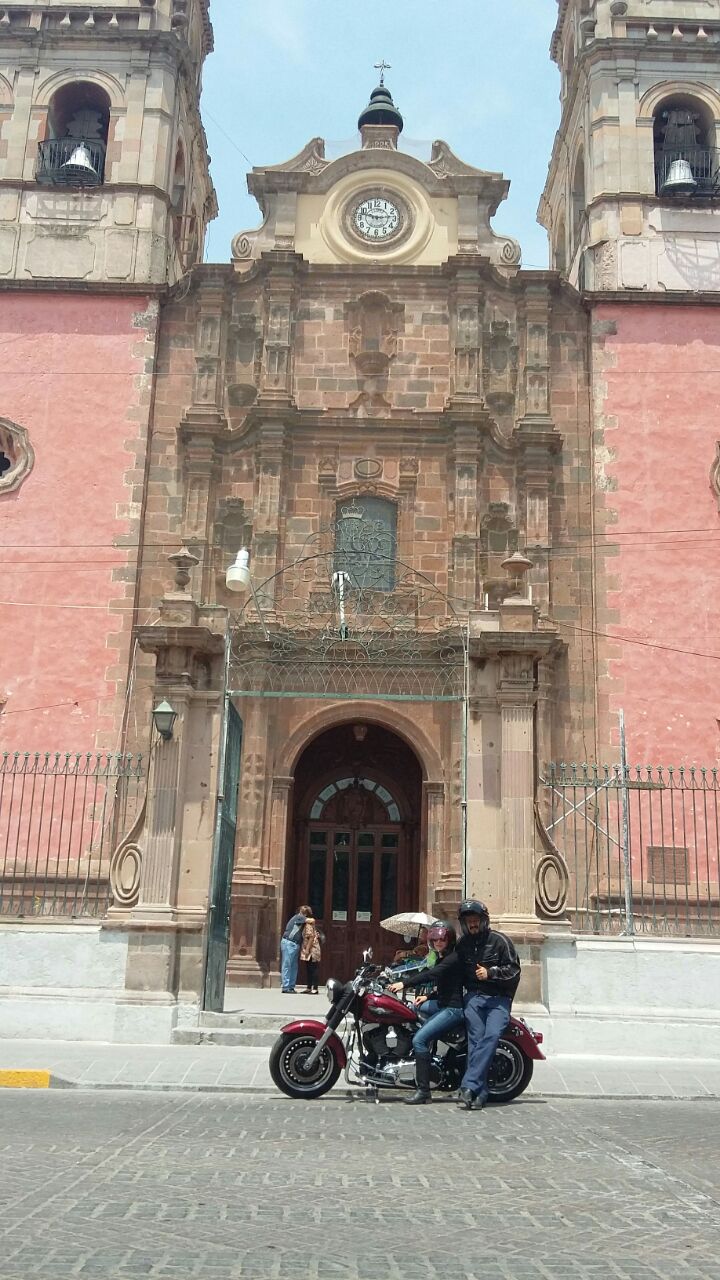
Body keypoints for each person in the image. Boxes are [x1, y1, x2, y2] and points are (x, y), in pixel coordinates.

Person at [454, 899, 521, 1111]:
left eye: (475, 920)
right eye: (469, 921)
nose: (472, 924)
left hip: (498, 999)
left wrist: (491, 973)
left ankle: (468, 1084)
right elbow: (454, 973)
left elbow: (514, 971)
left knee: (491, 1036)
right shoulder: (463, 944)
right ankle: (479, 1094)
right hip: (474, 998)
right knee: (475, 1040)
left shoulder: (500, 941)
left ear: (484, 920)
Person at [389, 922, 464, 1105]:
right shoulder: (442, 956)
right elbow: (445, 984)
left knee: (419, 1040)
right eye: (435, 938)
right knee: (410, 1008)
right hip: (440, 1003)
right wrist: (428, 996)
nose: (438, 942)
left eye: (442, 938)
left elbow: (432, 974)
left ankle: (423, 1091)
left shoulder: (452, 958)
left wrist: (403, 984)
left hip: (452, 1009)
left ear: (449, 939)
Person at [280, 904, 313, 994]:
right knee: (287, 964)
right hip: (289, 943)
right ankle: (286, 986)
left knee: (294, 966)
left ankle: (291, 986)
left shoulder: (300, 918)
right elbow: (311, 920)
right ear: (304, 914)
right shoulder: (298, 917)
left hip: (295, 944)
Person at [300, 914, 322, 994]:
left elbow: (311, 937)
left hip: (312, 949)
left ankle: (315, 988)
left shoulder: (308, 925)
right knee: (309, 968)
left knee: (313, 968)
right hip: (311, 948)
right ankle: (309, 987)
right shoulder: (309, 924)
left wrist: (307, 950)